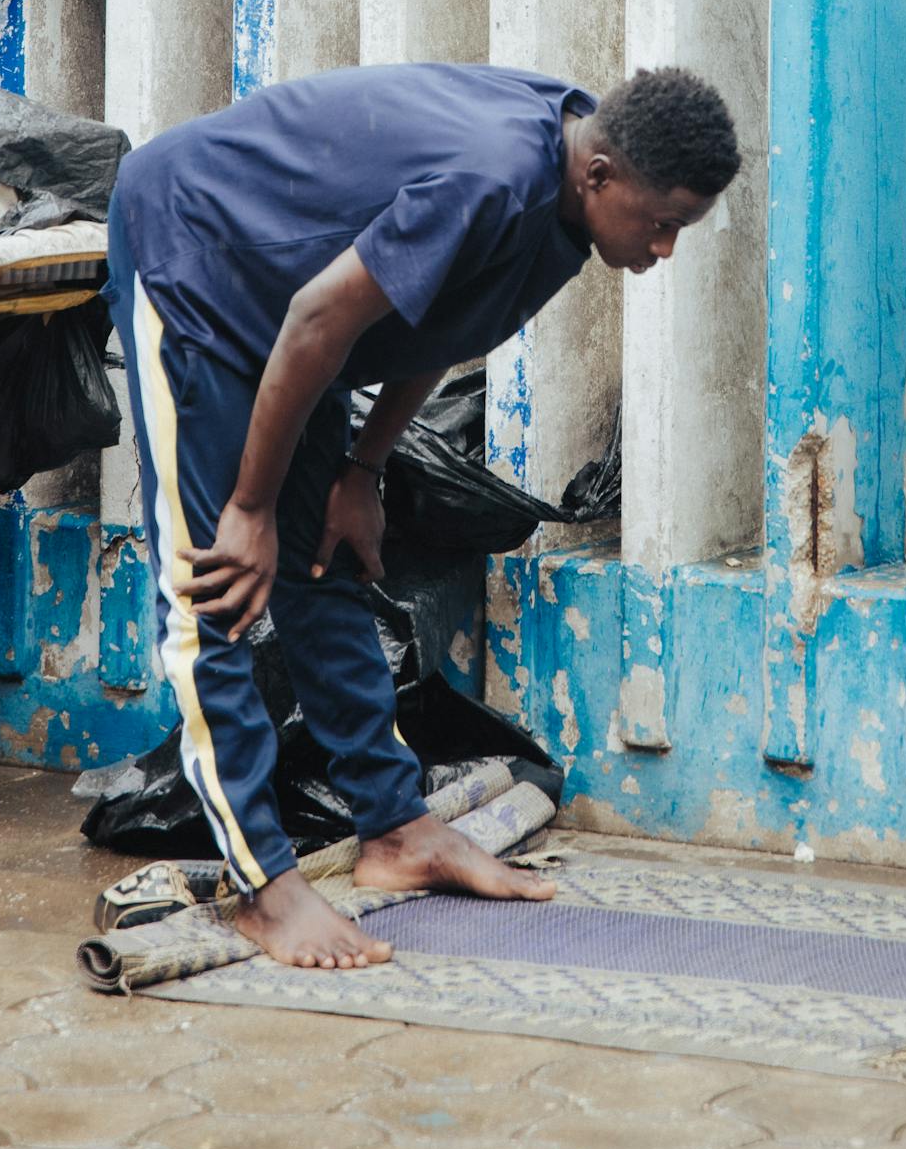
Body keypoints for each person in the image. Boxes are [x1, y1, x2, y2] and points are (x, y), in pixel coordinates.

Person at [106, 60, 740, 972]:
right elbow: (321, 316)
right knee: (215, 582)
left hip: (294, 309)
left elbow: (443, 318)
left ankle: (395, 830)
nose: (666, 248)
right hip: (196, 260)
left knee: (325, 558)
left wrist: (361, 470)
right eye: (664, 222)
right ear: (602, 176)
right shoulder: (492, 176)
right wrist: (249, 506)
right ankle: (264, 889)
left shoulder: (565, 191)